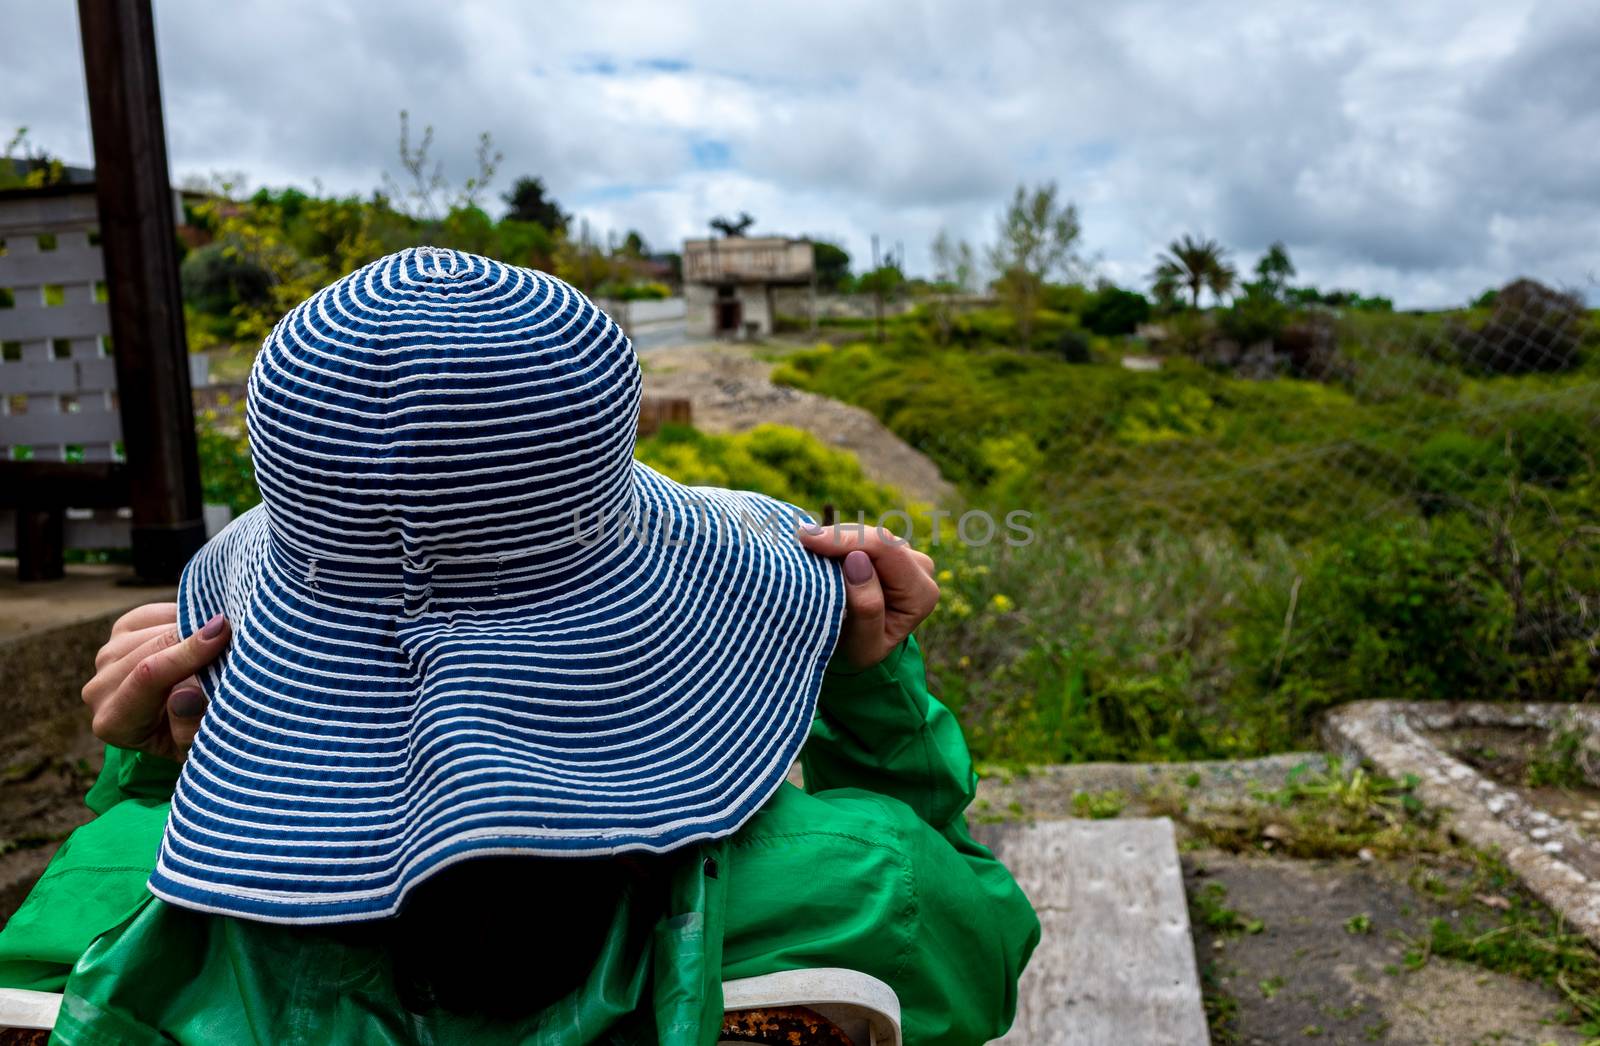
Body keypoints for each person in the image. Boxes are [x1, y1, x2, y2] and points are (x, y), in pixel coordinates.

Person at [0, 248, 1037, 1045]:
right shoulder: (861, 883)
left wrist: (150, 772)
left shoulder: (110, 903)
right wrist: (872, 692)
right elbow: (979, 941)